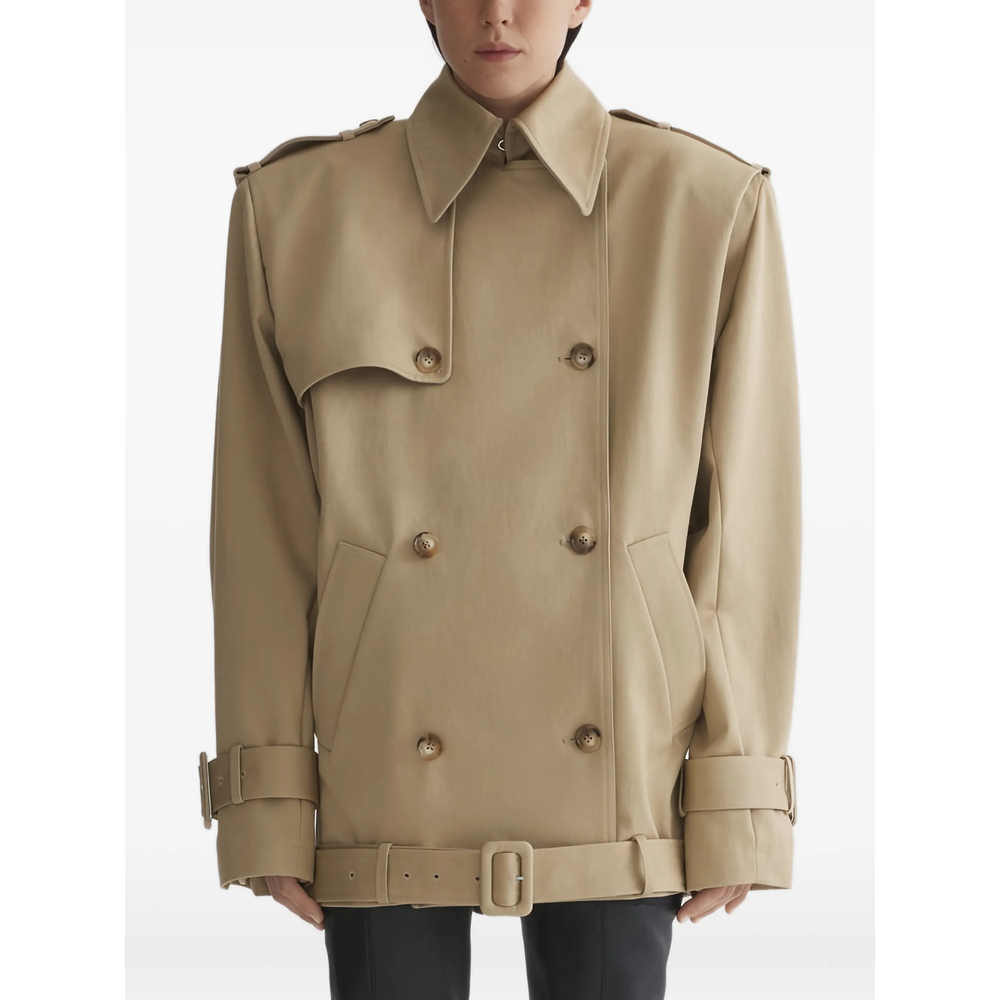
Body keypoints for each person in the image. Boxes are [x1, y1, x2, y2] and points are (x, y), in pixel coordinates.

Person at [198, 1, 801, 997]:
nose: (498, 12)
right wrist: (265, 794)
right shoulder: (298, 209)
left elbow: (746, 536)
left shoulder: (703, 203)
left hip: (622, 773)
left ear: (584, 1)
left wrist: (737, 792)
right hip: (383, 764)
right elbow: (261, 537)